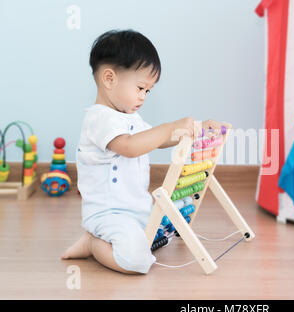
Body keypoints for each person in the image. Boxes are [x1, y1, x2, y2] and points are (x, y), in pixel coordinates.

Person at [61, 29, 224, 274]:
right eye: (140, 88)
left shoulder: (130, 117)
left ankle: (114, 240)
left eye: (147, 91)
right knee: (137, 262)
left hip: (139, 209)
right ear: (109, 79)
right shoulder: (99, 119)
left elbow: (157, 140)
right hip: (109, 213)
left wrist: (196, 128)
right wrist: (169, 126)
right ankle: (94, 243)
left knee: (164, 235)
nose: (143, 97)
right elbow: (129, 146)